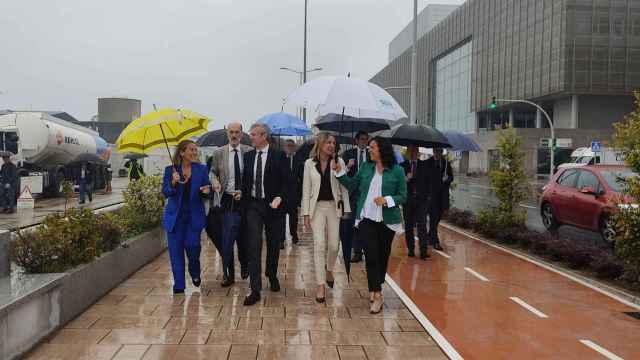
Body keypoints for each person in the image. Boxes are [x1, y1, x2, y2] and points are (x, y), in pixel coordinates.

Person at [333, 137, 407, 314]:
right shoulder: (366, 168)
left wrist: (387, 200)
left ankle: (376, 286)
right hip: (366, 218)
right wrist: (340, 172)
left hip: (387, 221)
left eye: (372, 147)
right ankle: (377, 294)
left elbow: (403, 196)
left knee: (382, 256)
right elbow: (352, 185)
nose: (369, 150)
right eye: (369, 147)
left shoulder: (397, 171)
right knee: (371, 255)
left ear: (382, 149)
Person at [241, 123, 290, 306]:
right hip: (254, 205)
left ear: (264, 136)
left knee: (273, 244)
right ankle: (255, 289)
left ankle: (271, 273)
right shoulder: (248, 157)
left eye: (253, 135)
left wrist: (279, 197)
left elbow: (288, 182)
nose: (250, 137)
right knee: (253, 245)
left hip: (273, 206)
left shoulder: (279, 156)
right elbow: (245, 182)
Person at [301, 133, 350, 303]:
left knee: (334, 244)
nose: (331, 145)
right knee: (319, 244)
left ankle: (329, 269)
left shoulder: (339, 162)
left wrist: (347, 209)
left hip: (334, 206)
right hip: (317, 208)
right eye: (328, 142)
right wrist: (305, 213)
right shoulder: (309, 163)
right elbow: (306, 189)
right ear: (320, 143)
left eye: (333, 143)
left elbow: (344, 187)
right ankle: (320, 285)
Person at [162, 140, 211, 294]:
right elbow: (166, 192)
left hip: (193, 217)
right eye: (191, 150)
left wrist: (206, 191)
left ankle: (195, 272)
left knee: (193, 247)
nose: (194, 152)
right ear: (182, 152)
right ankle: (179, 285)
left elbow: (207, 191)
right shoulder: (170, 170)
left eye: (195, 150)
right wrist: (173, 182)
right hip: (175, 218)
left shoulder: (201, 169)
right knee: (175, 252)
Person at [208, 122, 250, 286]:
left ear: (241, 134)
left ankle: (245, 263)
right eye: (231, 132)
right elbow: (212, 172)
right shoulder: (219, 153)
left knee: (244, 236)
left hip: (244, 199)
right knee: (227, 238)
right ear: (227, 133)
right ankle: (229, 273)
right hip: (227, 199)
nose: (234, 135)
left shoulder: (249, 151)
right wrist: (214, 181)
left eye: (237, 132)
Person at [340, 131, 370, 263]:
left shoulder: (371, 155)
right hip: (352, 195)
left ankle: (366, 249)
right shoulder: (348, 154)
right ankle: (357, 251)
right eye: (362, 139)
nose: (364, 142)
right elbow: (340, 175)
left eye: (366, 139)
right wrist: (348, 166)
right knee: (354, 223)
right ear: (356, 141)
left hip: (367, 195)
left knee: (366, 223)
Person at [402, 145, 430, 259]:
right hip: (408, 200)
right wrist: (406, 179)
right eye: (411, 150)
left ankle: (423, 250)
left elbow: (428, 182)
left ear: (418, 152)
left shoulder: (424, 165)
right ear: (408, 152)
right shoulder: (402, 166)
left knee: (422, 225)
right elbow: (399, 183)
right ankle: (411, 249)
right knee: (408, 225)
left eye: (416, 150)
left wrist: (428, 197)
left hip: (421, 200)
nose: (414, 152)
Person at [424, 148, 454, 252]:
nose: (437, 153)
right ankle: (435, 241)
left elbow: (451, 177)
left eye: (439, 151)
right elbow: (425, 178)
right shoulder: (428, 163)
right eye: (436, 151)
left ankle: (429, 236)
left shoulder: (446, 163)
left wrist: (447, 178)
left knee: (437, 218)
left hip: (443, 196)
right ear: (433, 152)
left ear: (442, 152)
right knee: (433, 218)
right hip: (431, 196)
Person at [284, 139, 301, 246]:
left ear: (294, 147)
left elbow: (302, 177)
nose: (290, 147)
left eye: (292, 146)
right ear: (284, 147)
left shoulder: (298, 160)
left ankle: (293, 234)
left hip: (294, 193)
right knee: (281, 217)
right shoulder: (280, 158)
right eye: (288, 145)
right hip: (282, 194)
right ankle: (281, 239)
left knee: (293, 217)